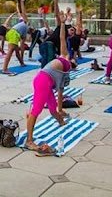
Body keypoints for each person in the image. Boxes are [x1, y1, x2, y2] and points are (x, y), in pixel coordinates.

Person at [24, 10, 71, 154]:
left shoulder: (65, 69)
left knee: (51, 108)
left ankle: (61, 122)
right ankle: (29, 141)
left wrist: (60, 114)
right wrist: (62, 24)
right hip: (43, 80)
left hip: (44, 80)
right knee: (36, 110)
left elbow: (58, 98)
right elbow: (62, 38)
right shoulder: (65, 56)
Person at [1, 0, 29, 74]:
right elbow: (23, 12)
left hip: (11, 33)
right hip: (13, 33)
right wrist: (21, 2)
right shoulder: (26, 22)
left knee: (16, 51)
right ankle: (5, 69)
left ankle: (22, 63)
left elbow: (22, 46)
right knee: (10, 52)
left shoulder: (24, 31)